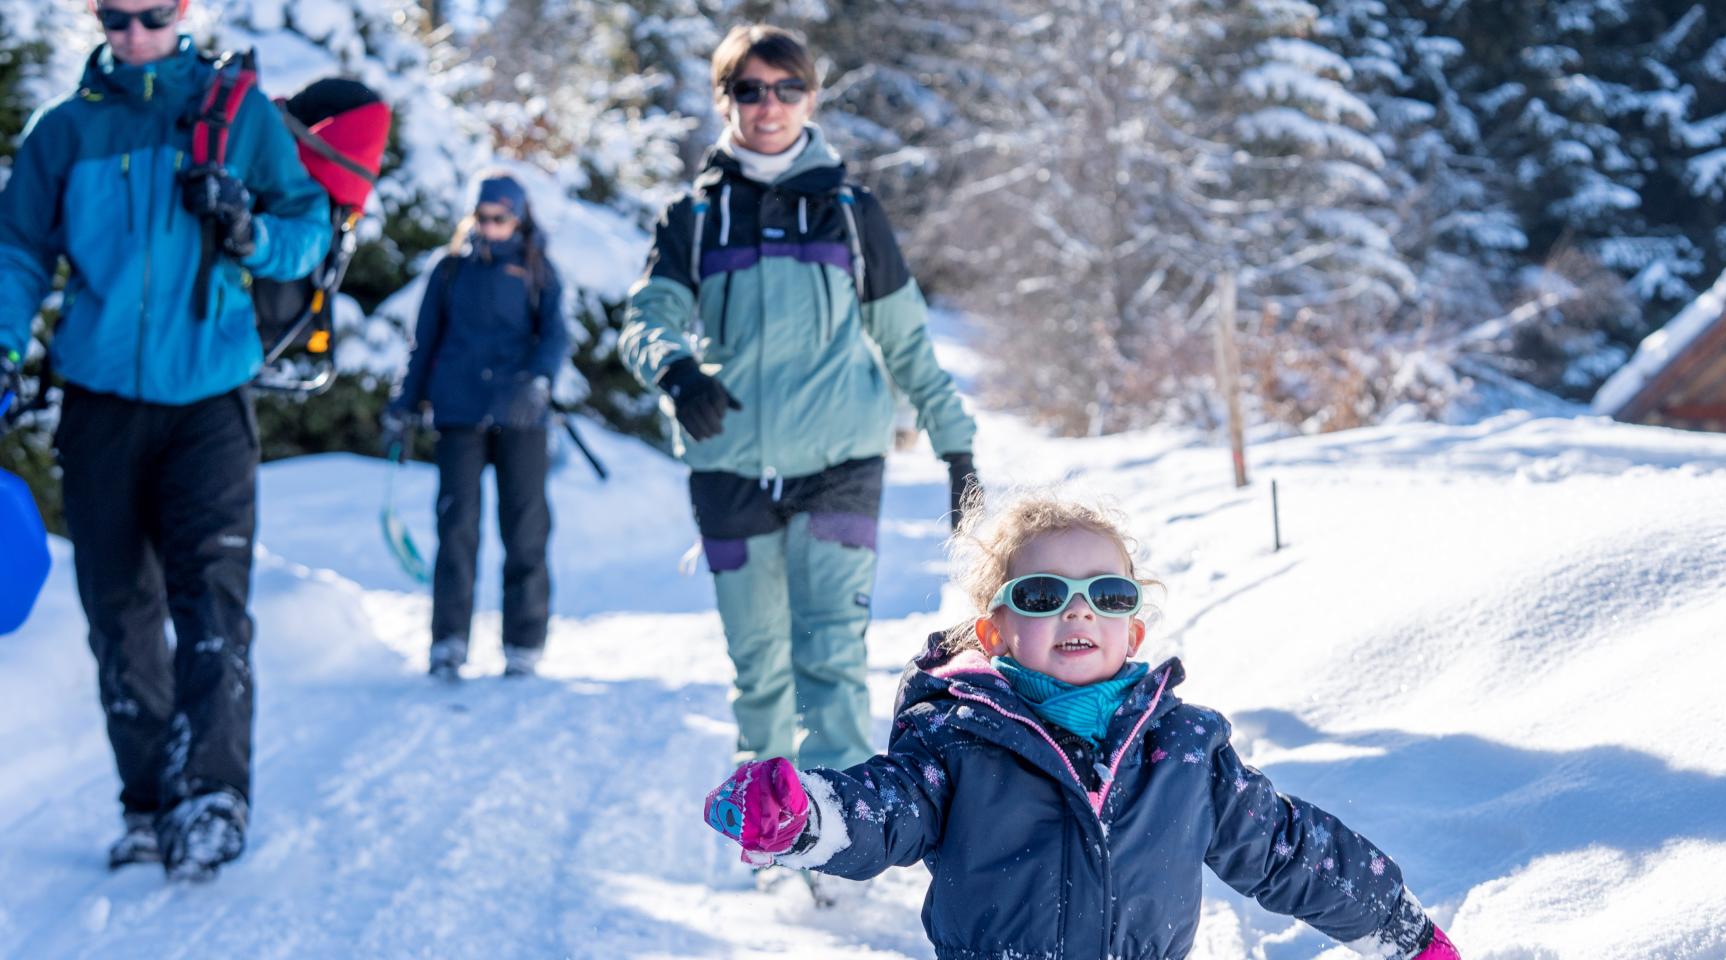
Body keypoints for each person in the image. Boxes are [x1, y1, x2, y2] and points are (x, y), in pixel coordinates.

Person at [701, 493, 1463, 960]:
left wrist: (1405, 934)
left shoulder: (1187, 754)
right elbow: (885, 810)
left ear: (1132, 633)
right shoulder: (957, 742)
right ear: (994, 632)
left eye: (1106, 593)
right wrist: (802, 816)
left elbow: (1292, 851)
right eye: (1042, 593)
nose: (1078, 610)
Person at [0, 0, 331, 881]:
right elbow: (18, 250)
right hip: (100, 402)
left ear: (183, 10)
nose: (132, 36)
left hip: (208, 402)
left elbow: (309, 228)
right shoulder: (64, 130)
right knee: (119, 612)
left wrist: (250, 230)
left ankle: (214, 793)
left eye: (149, 16)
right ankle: (148, 799)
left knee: (211, 605)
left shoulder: (236, 114)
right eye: (114, 18)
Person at [619, 25, 979, 773]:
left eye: (785, 88)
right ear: (725, 100)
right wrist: (677, 372)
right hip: (729, 467)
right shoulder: (693, 218)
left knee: (832, 659)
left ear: (811, 96)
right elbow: (646, 319)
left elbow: (905, 341)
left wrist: (957, 447)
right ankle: (768, 823)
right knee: (758, 669)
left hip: (840, 462)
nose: (768, 105)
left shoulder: (851, 212)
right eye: (748, 89)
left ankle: (835, 843)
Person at [387, 173, 570, 680]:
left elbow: (554, 335)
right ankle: (448, 641)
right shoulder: (449, 271)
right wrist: (404, 405)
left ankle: (523, 643)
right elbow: (422, 342)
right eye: (483, 217)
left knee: (526, 528)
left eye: (500, 218)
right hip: (458, 410)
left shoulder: (537, 270)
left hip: (521, 416)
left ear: (518, 217)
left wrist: (538, 381)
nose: (490, 227)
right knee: (457, 528)